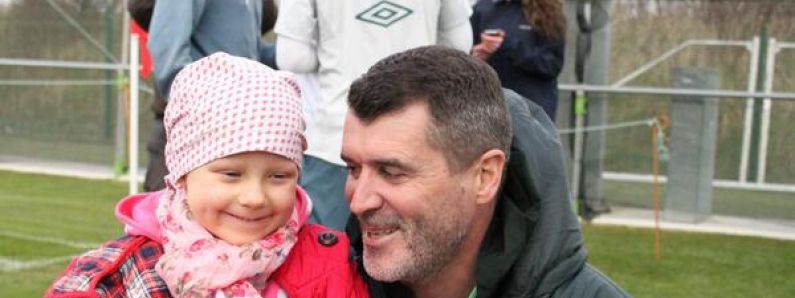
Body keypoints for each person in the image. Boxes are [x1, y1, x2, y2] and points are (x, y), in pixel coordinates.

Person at [43, 53, 385, 298]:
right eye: (231, 174)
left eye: (278, 176)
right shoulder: (135, 270)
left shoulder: (330, 261)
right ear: (184, 174)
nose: (254, 197)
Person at [341, 45, 674, 298]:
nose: (359, 199)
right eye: (353, 168)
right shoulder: (323, 290)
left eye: (391, 172)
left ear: (485, 175)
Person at [273, 0, 474, 230]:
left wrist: (336, 50)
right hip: (418, 136)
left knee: (326, 248)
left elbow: (292, 57)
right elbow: (458, 45)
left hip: (337, 136)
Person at [137, 0, 278, 192]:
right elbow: (167, 51)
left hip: (233, 131)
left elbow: (250, 52)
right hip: (192, 132)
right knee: (172, 218)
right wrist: (199, 111)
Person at [470, 0, 566, 120]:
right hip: (490, 108)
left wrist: (509, 46)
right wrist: (477, 55)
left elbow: (552, 65)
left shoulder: (547, 11)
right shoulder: (482, 8)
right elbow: (465, 57)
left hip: (532, 111)